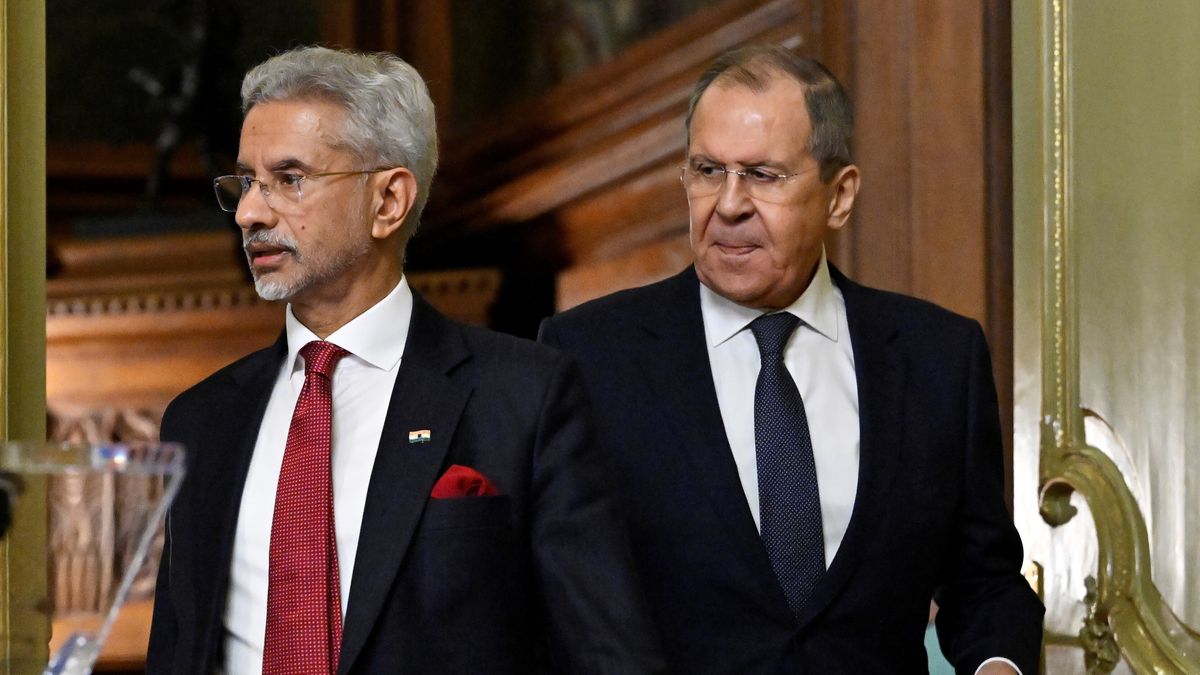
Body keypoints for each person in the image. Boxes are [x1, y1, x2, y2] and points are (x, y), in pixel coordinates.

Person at [147, 46, 664, 675]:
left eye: (290, 179)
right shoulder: (200, 421)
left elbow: (609, 657)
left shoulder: (523, 396)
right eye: (248, 182)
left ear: (388, 200)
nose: (252, 212)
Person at [538, 45, 1044, 674]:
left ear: (839, 195)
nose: (728, 204)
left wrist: (999, 664)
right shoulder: (588, 356)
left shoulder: (937, 357)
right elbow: (552, 597)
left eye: (762, 175)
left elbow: (984, 580)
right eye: (707, 170)